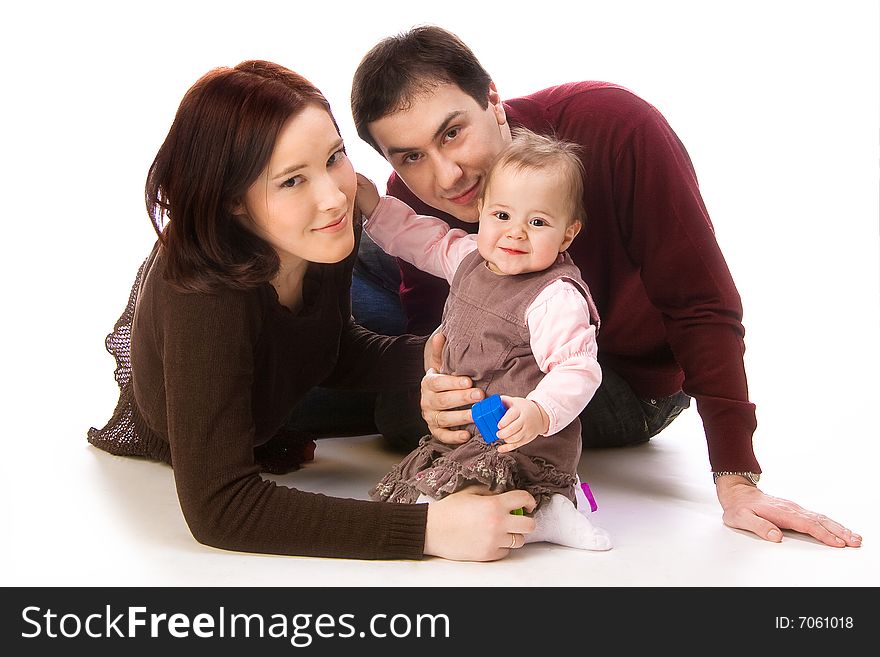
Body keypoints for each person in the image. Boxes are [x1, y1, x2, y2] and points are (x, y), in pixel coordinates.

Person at [349, 26, 861, 548]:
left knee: (388, 403)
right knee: (341, 246)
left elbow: (699, 302)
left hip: (614, 378)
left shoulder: (614, 126)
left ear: (492, 100)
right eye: (409, 156)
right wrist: (435, 380)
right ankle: (285, 376)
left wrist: (736, 478)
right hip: (499, 352)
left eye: (453, 133)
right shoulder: (410, 195)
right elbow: (439, 322)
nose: (448, 175)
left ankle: (302, 379)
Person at [87, 60, 537, 561]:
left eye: (333, 157)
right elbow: (220, 507)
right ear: (233, 201)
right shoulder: (204, 294)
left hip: (272, 397)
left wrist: (435, 358)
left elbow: (328, 348)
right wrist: (428, 530)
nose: (333, 196)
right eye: (291, 181)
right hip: (198, 427)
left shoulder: (320, 235)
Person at [358, 128, 611, 551]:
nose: (515, 233)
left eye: (538, 222)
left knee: (475, 492)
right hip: (469, 431)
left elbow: (577, 368)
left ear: (567, 234)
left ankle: (548, 510)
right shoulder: (470, 258)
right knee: (437, 481)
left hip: (524, 441)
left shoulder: (554, 296)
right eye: (502, 216)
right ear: (481, 211)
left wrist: (539, 410)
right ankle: (541, 511)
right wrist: (370, 205)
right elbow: (421, 238)